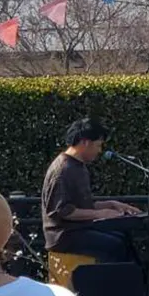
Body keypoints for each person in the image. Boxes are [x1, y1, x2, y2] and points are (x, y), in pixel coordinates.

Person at [41, 117, 140, 285]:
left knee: (123, 238)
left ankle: (127, 294)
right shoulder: (63, 170)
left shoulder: (78, 166)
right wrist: (101, 213)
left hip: (78, 229)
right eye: (98, 145)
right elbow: (61, 211)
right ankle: (108, 295)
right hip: (64, 235)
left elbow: (82, 205)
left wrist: (111, 204)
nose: (99, 150)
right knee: (114, 245)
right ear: (85, 142)